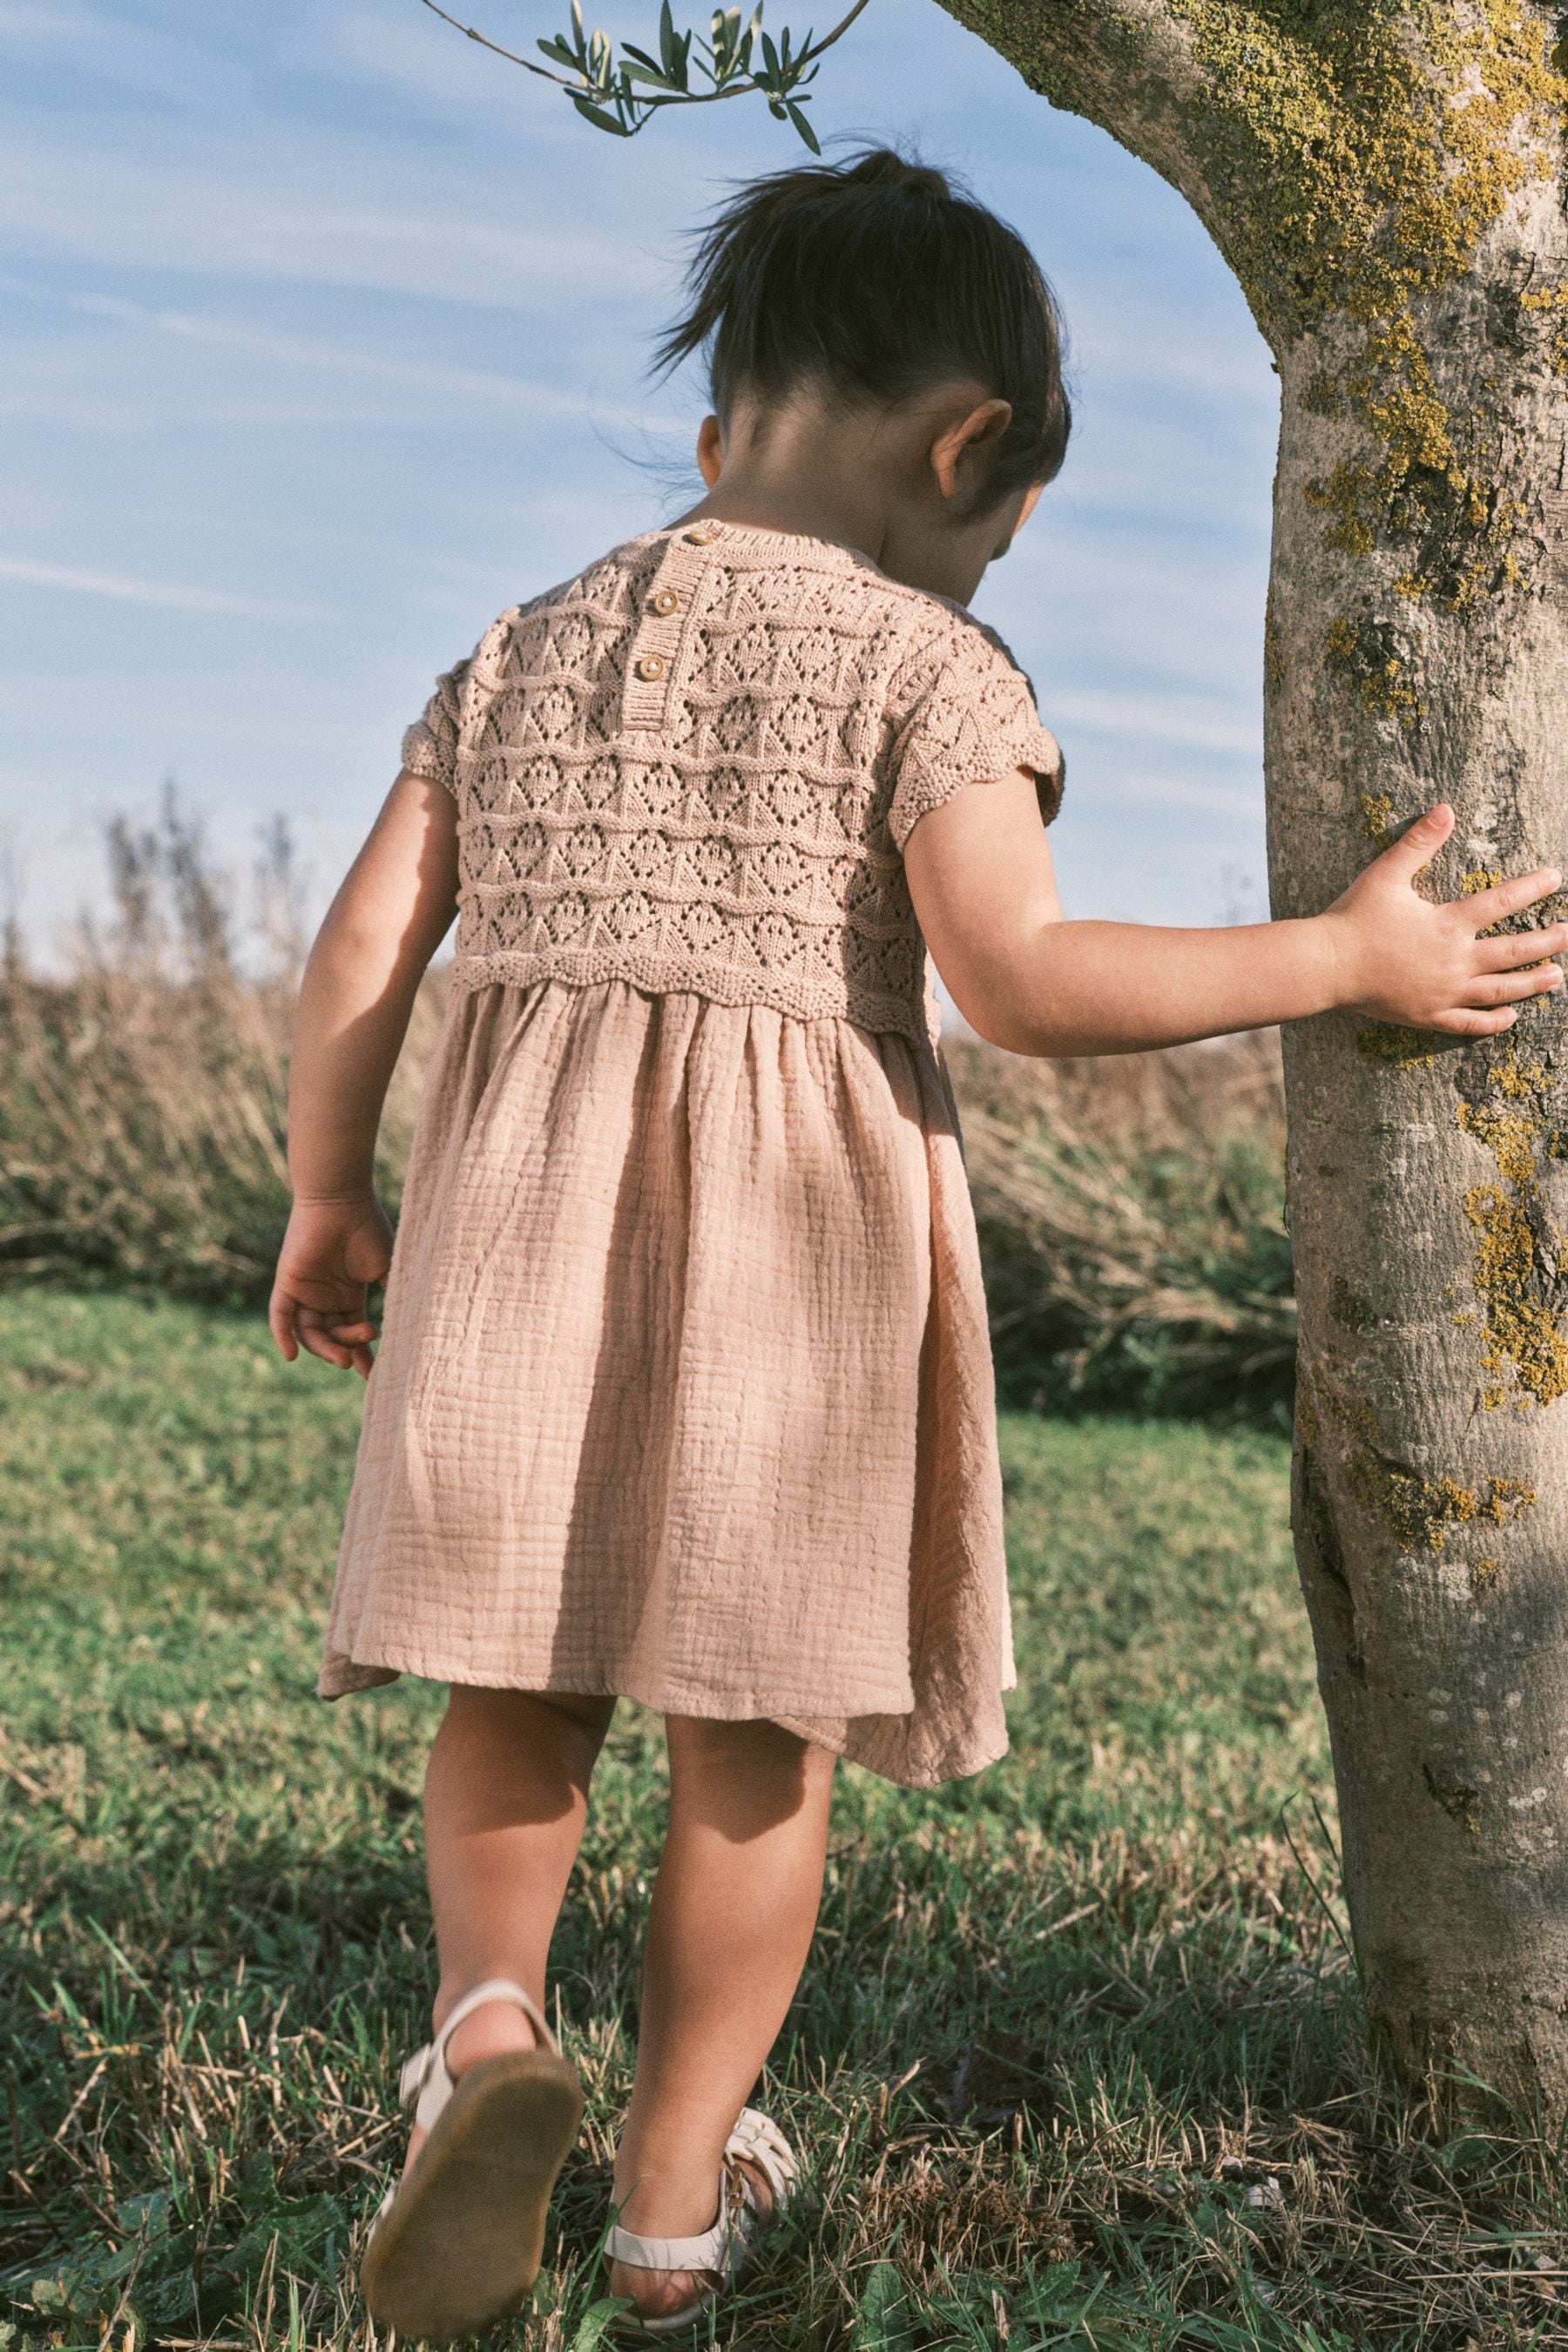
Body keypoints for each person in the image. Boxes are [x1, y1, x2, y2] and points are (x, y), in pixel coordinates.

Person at [267, 147, 1565, 2342]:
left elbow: (368, 941)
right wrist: (1342, 956)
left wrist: (327, 1188)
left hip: (507, 1266)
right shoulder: (930, 667)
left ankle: (485, 2035)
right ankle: (673, 2215)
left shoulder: (520, 644)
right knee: (753, 1747)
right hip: (791, 1280)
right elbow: (1022, 979)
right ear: (973, 454)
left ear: (715, 434)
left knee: (514, 1693)